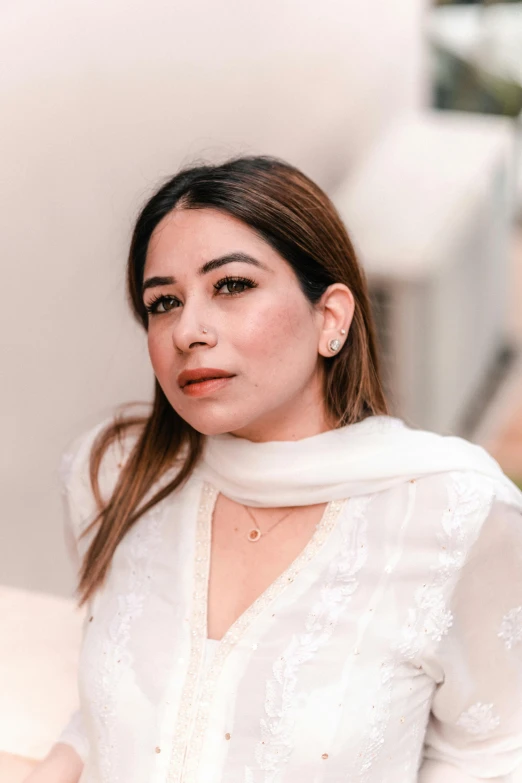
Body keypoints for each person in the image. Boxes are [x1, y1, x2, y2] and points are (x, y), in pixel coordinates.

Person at [25, 155, 522, 783]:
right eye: (163, 302)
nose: (188, 329)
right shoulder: (117, 474)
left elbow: (498, 758)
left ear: (331, 319)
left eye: (231, 285)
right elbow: (120, 711)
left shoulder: (457, 513)